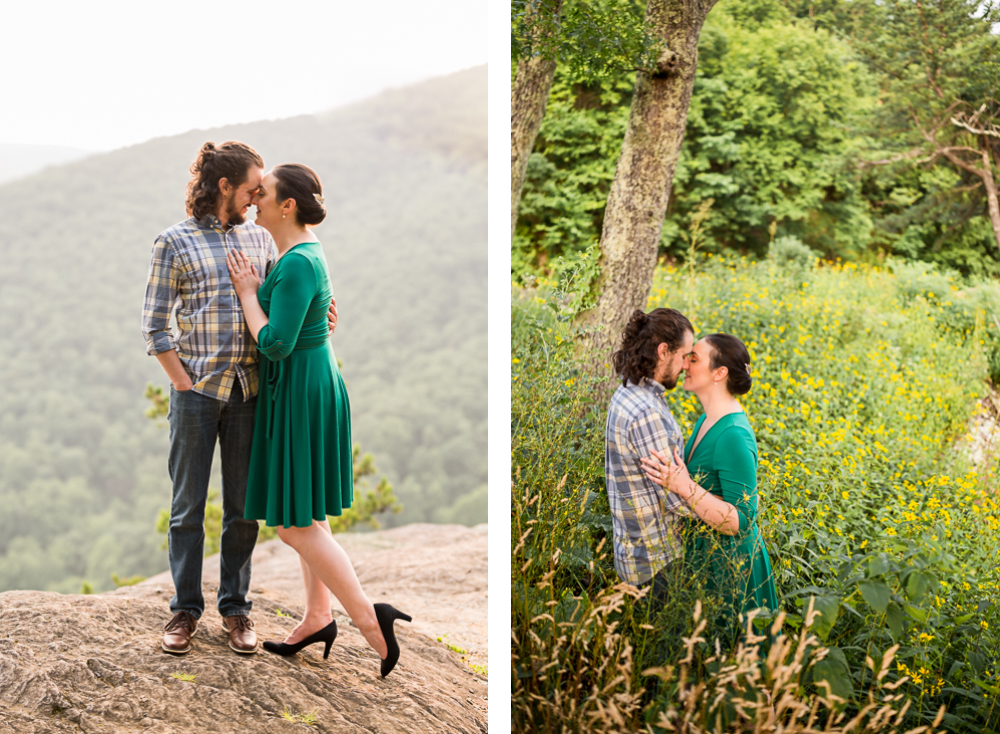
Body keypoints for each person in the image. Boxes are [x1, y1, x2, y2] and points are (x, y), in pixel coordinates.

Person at [141, 141, 337, 656]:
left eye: (261, 191)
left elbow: (283, 308)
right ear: (224, 186)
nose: (256, 199)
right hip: (197, 394)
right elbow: (155, 326)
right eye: (251, 188)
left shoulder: (262, 239)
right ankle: (184, 611)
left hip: (252, 392)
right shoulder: (173, 242)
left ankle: (236, 609)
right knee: (186, 507)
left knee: (243, 510)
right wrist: (183, 383)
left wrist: (324, 317)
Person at [226, 163, 410, 678]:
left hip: (302, 390)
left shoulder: (299, 261)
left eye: (263, 194)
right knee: (307, 512)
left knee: (290, 526)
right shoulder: (300, 253)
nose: (254, 200)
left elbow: (277, 343)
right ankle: (316, 616)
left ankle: (372, 620)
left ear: (287, 206)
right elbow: (305, 317)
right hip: (310, 382)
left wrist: (247, 292)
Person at [641, 333, 779, 638]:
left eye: (694, 358)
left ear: (720, 373)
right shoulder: (707, 420)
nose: (685, 364)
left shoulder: (733, 435)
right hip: (705, 559)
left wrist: (682, 485)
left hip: (732, 567)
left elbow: (740, 521)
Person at [605, 308, 694, 601]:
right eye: (685, 356)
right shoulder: (646, 412)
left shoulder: (629, 391)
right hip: (656, 564)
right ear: (663, 351)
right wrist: (730, 512)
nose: (686, 366)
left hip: (635, 557)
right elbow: (675, 498)